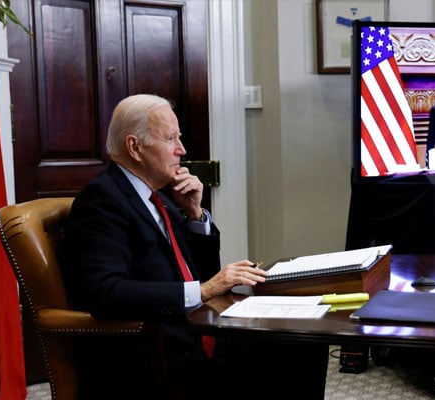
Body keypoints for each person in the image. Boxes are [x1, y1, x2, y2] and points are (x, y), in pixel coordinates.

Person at [62, 94, 328, 399]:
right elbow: (105, 290)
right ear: (135, 147)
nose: (182, 150)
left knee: (306, 336)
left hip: (195, 334)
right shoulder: (103, 200)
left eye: (180, 137)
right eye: (170, 138)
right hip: (158, 354)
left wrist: (195, 215)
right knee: (289, 355)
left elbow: (203, 273)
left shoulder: (160, 197)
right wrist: (202, 291)